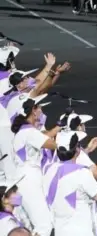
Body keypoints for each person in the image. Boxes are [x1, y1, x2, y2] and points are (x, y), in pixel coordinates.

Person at [10, 95, 65, 236]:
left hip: (21, 179)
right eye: (39, 107)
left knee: (27, 226)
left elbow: (44, 135)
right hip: (30, 179)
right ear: (33, 111)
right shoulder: (30, 132)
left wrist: (57, 128)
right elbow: (52, 145)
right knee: (44, 225)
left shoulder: (23, 132)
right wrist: (69, 141)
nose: (41, 110)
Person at [56, 112, 97, 180]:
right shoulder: (77, 154)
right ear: (79, 127)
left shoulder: (60, 143)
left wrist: (88, 149)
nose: (84, 127)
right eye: (82, 124)